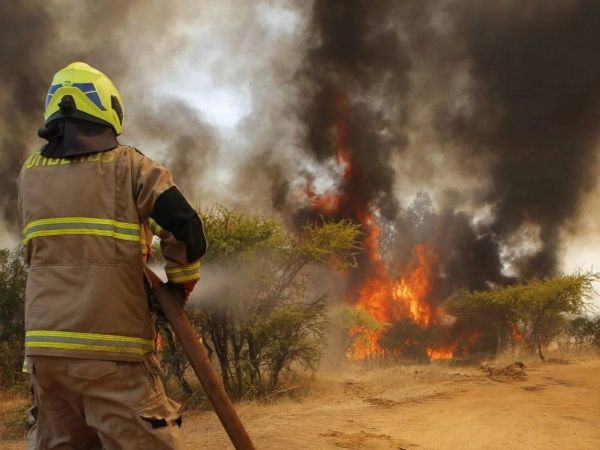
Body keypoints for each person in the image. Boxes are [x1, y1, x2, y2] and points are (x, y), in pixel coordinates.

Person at [18, 62, 206, 449]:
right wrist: (178, 288)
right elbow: (186, 227)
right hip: (114, 354)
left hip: (45, 356)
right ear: (107, 107)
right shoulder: (131, 166)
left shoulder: (29, 173)